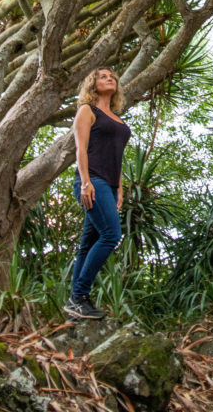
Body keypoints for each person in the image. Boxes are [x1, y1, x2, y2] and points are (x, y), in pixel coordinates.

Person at [64, 67, 131, 320]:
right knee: (112, 234)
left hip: (110, 186)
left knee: (88, 245)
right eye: (103, 76)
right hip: (92, 181)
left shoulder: (118, 119)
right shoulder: (87, 111)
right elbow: (80, 148)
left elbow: (118, 157)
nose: (109, 78)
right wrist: (84, 182)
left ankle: (74, 308)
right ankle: (79, 296)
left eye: (112, 76)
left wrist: (120, 189)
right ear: (93, 84)